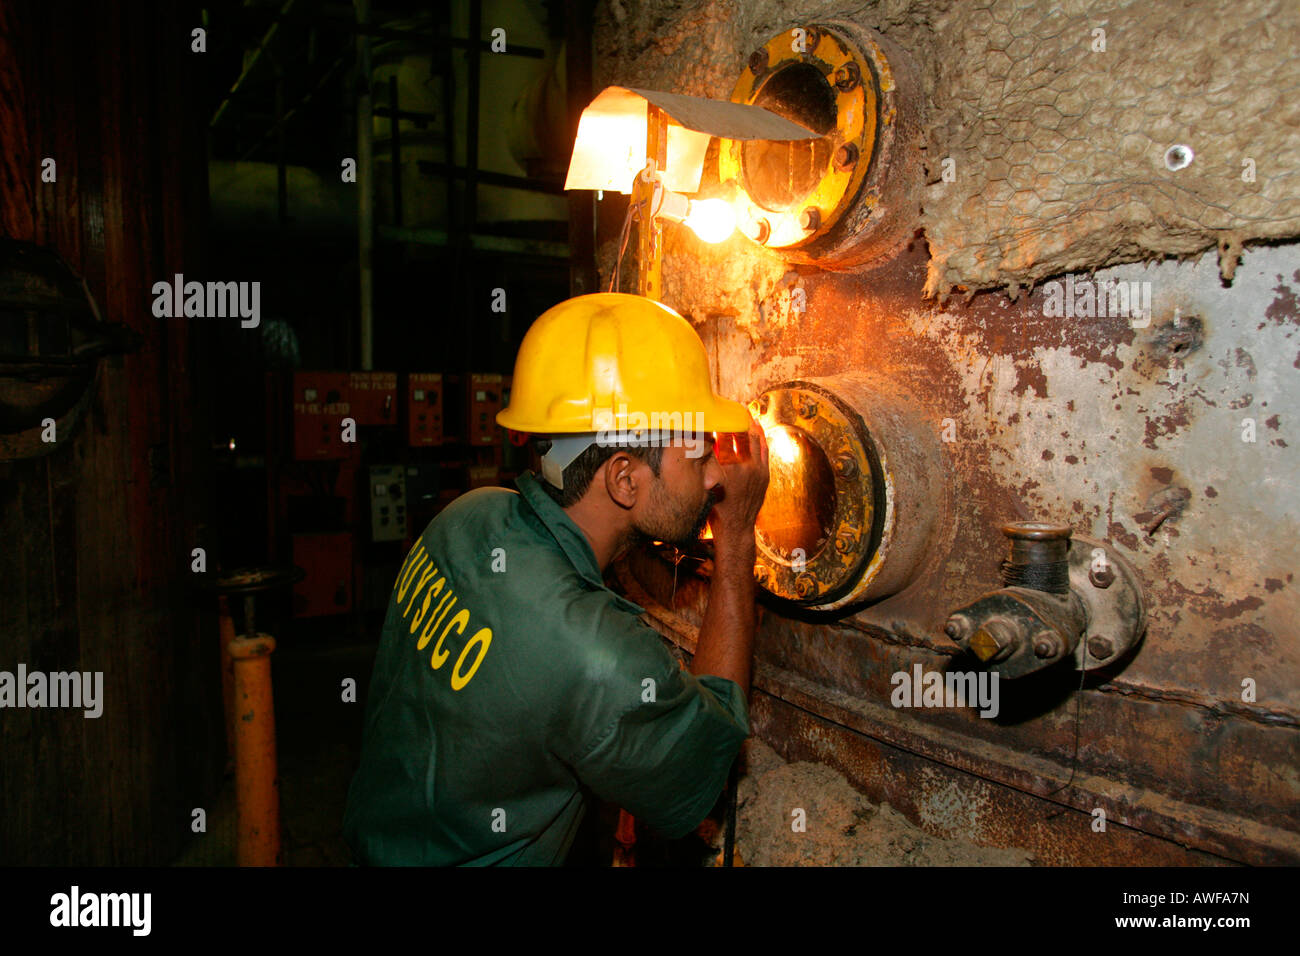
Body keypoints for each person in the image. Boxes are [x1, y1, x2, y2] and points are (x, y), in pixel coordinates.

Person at [342, 292, 770, 865]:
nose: (716, 473)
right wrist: (738, 535)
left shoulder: (465, 516)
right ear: (624, 479)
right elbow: (700, 769)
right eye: (696, 455)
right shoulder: (599, 658)